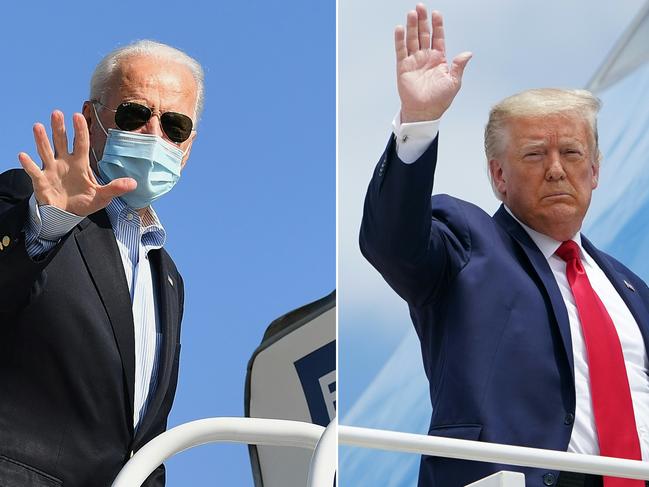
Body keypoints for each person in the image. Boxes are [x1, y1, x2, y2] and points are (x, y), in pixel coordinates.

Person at [360, 5, 649, 487]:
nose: (556, 169)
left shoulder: (631, 290)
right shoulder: (467, 240)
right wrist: (418, 121)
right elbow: (391, 244)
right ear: (498, 176)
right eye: (534, 154)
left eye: (572, 153)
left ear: (595, 171)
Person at [0, 40, 202, 486]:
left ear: (187, 148)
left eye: (175, 126)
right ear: (91, 119)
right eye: (134, 114)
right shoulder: (24, 201)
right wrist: (48, 223)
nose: (154, 135)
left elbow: (141, 438)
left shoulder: (168, 278)